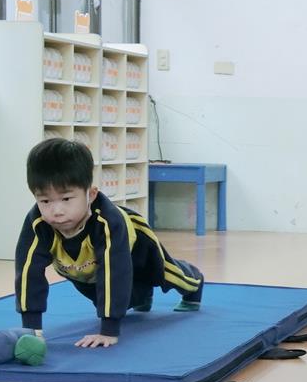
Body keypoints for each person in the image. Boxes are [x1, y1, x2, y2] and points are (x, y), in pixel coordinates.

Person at [14, 138, 204, 348]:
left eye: (66, 199)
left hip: (137, 248)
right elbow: (28, 273)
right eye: (45, 201)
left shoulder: (107, 222)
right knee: (111, 297)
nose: (56, 211)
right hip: (87, 268)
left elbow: (114, 271)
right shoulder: (38, 224)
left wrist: (108, 331)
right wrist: (31, 330)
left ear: (91, 194)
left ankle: (195, 282)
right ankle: (142, 295)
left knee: (166, 273)